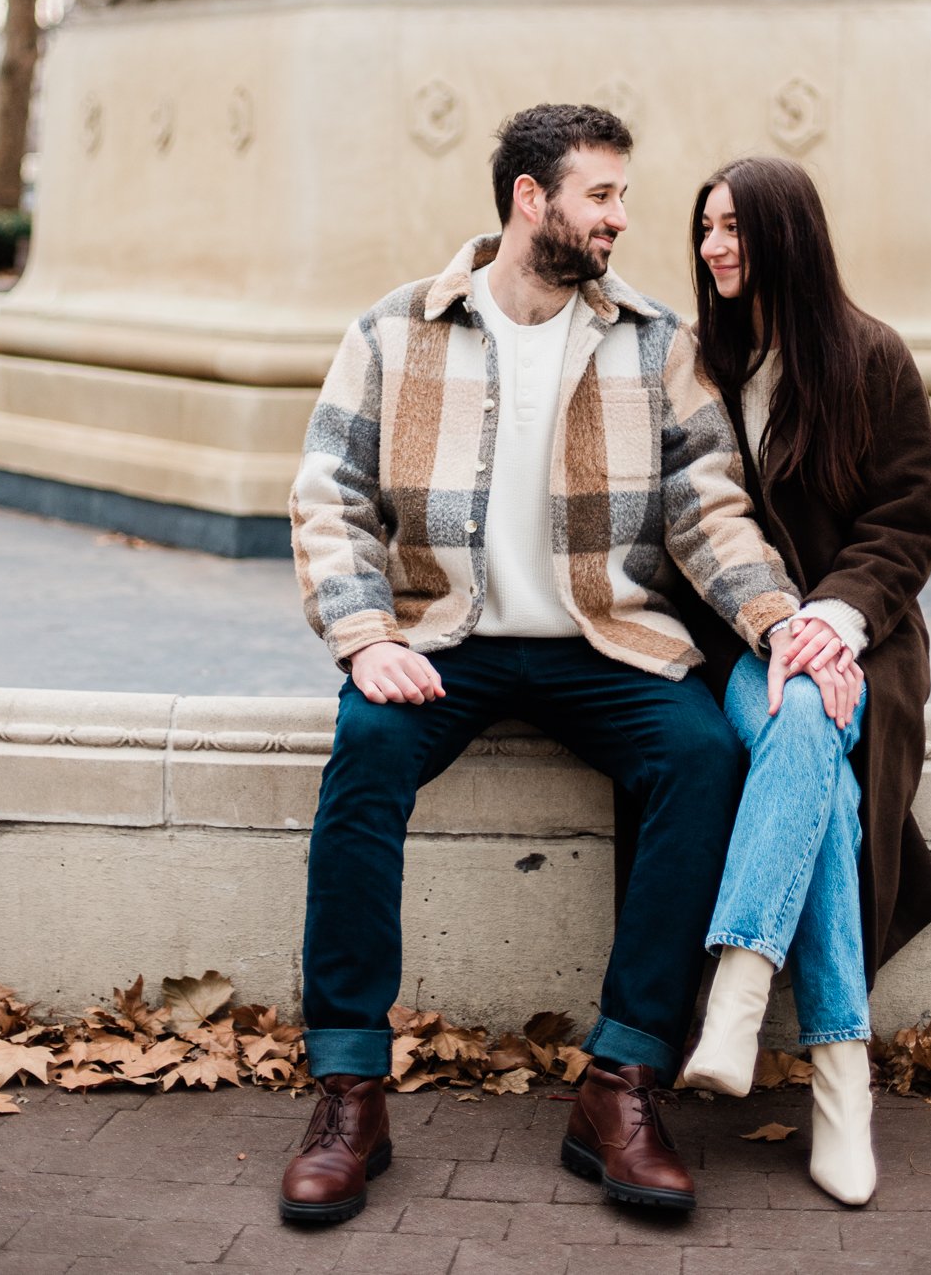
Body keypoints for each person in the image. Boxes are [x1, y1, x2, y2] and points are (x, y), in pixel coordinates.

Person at [281, 104, 806, 1227]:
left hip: (600, 640)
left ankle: (619, 1084)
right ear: (533, 200)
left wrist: (777, 622)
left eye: (622, 195)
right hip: (440, 640)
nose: (622, 217)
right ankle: (349, 1093)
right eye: (602, 195)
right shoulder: (393, 332)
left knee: (703, 758)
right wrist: (366, 638)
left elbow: (708, 512)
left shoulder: (655, 341)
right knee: (364, 754)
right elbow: (330, 496)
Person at [678, 157, 931, 1206]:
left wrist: (834, 621)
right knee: (809, 754)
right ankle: (842, 1082)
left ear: (789, 234)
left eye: (735, 228)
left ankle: (740, 987)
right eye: (705, 228)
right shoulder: (700, 365)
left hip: (860, 644)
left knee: (811, 726)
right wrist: (777, 628)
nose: (714, 248)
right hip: (739, 644)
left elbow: (904, 521)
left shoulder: (872, 359)